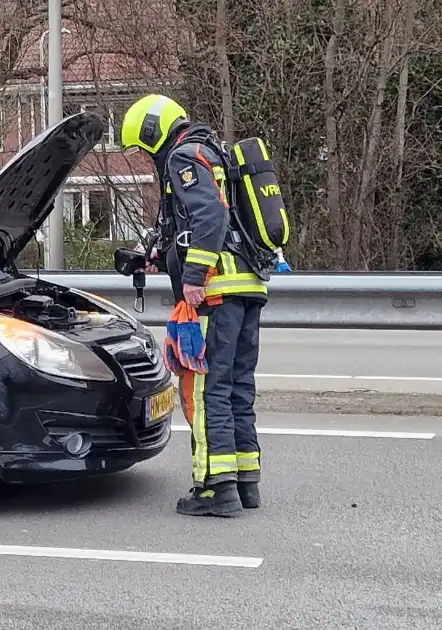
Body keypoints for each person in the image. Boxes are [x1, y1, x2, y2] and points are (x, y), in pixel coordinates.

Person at [120, 93, 267, 518]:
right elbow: (200, 225)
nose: (150, 158)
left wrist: (193, 278)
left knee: (207, 391)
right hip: (247, 286)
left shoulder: (183, 157)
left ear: (154, 130)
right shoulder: (211, 152)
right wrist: (161, 257)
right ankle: (245, 483)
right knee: (238, 388)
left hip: (216, 291)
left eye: (146, 148)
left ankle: (215, 490)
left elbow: (210, 218)